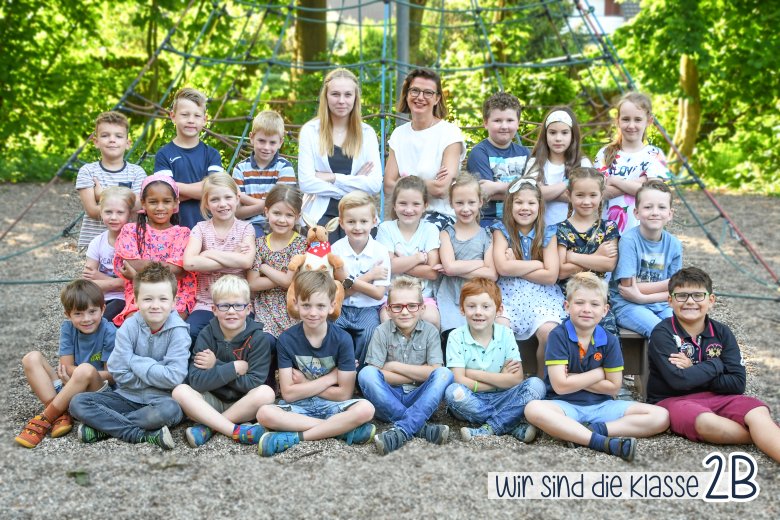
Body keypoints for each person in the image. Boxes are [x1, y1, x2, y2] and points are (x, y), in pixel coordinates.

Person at [524, 272, 669, 461]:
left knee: (661, 416)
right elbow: (560, 386)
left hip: (602, 406)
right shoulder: (558, 336)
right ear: (567, 306)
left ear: (605, 310)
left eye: (594, 304)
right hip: (565, 406)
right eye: (579, 303)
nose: (587, 309)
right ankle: (602, 443)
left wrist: (572, 378)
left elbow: (614, 387)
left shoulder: (609, 340)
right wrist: (600, 373)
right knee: (533, 409)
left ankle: (590, 431)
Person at [647, 267, 780, 462]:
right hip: (673, 400)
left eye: (698, 295)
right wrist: (717, 364)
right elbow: (678, 382)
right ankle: (763, 436)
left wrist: (693, 369)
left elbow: (737, 383)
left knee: (757, 412)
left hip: (720, 397)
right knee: (707, 422)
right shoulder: (663, 333)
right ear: (670, 301)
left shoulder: (723, 332)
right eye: (682, 295)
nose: (690, 301)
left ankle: (765, 435)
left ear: (711, 300)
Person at [69, 263, 190, 450]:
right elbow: (118, 371)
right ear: (136, 299)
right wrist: (154, 375)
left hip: (159, 400)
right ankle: (139, 435)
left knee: (172, 411)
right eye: (148, 299)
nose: (155, 305)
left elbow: (174, 377)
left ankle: (103, 429)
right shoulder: (129, 326)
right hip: (125, 396)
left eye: (163, 299)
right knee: (78, 402)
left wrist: (133, 361)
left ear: (174, 301)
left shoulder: (179, 333)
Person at [256, 271, 376, 456]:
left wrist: (304, 383)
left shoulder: (343, 339)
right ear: (296, 304)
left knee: (366, 409)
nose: (313, 313)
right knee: (264, 413)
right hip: (300, 406)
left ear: (332, 306)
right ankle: (341, 430)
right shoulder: (286, 340)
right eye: (306, 305)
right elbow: (288, 394)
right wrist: (331, 377)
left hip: (332, 406)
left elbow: (344, 394)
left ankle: (297, 437)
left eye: (320, 306)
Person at [172, 275, 276, 448]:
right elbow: (196, 381)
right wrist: (233, 368)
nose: (231, 311)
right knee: (180, 391)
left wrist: (216, 365)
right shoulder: (207, 334)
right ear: (214, 309)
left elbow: (252, 384)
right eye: (224, 306)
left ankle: (209, 428)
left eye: (238, 305)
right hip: (210, 400)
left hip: (242, 404)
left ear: (248, 308)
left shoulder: (258, 339)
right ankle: (235, 430)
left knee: (266, 393)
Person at [358, 276, 453, 455]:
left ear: (422, 308)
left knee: (444, 373)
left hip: (420, 397)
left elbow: (435, 371)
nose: (405, 312)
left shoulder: (430, 332)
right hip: (388, 398)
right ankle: (421, 427)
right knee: (366, 374)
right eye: (397, 306)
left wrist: (393, 366)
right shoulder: (381, 331)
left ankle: (402, 429)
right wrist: (421, 372)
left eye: (411, 305)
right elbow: (376, 374)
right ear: (389, 309)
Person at [15, 280, 116, 448]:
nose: (86, 319)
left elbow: (111, 376)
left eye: (92, 312)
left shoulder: (109, 331)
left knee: (85, 370)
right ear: (68, 314)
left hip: (98, 391)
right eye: (78, 314)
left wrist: (80, 375)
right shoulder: (67, 328)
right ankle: (61, 415)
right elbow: (66, 367)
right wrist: (75, 377)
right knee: (31, 358)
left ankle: (45, 419)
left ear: (103, 309)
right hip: (69, 383)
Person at [444, 278, 546, 442]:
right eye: (471, 306)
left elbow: (516, 379)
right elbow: (458, 379)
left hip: (505, 396)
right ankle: (510, 423)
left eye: (486, 307)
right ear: (462, 309)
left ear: (499, 310)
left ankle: (490, 428)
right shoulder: (456, 336)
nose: (478, 312)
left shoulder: (506, 334)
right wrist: (500, 379)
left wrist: (472, 373)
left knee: (536, 385)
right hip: (473, 398)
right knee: (453, 392)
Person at [297, 68, 381, 241]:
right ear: (326, 97)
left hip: (359, 214)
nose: (341, 101)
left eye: (348, 95)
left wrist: (332, 177)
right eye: (335, 94)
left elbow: (373, 185)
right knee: (325, 257)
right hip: (321, 213)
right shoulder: (310, 131)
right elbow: (306, 182)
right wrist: (355, 182)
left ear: (355, 98)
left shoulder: (367, 133)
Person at [492, 177, 565, 377]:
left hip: (542, 296)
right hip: (508, 294)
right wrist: (537, 264)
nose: (525, 208)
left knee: (549, 332)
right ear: (509, 205)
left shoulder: (548, 232)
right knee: (501, 328)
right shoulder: (501, 230)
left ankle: (543, 381)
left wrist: (516, 264)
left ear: (539, 206)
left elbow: (551, 276)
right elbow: (503, 268)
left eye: (531, 203)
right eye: (519, 202)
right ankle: (513, 381)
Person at [383, 68, 466, 230]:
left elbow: (441, 189)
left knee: (422, 234)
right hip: (404, 214)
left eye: (428, 93)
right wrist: (427, 183)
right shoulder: (399, 134)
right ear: (407, 95)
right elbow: (387, 185)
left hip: (439, 215)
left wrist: (404, 181)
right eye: (414, 91)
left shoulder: (450, 133)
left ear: (437, 99)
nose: (420, 97)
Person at [111, 174, 196, 326]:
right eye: (153, 202)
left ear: (176, 203)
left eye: (167, 201)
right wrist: (167, 266)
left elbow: (178, 269)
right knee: (135, 326)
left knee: (171, 326)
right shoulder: (131, 230)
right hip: (140, 291)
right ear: (143, 203)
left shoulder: (183, 233)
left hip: (175, 293)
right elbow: (129, 262)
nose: (160, 207)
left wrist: (139, 270)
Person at [183, 172, 255, 344]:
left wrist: (208, 254)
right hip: (207, 302)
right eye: (215, 200)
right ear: (206, 203)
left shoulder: (246, 229)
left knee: (245, 339)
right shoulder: (200, 229)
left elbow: (246, 262)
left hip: (238, 303)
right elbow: (189, 263)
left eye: (228, 197)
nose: (222, 204)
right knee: (190, 332)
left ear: (237, 198)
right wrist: (233, 256)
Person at [610, 179, 682, 337]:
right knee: (661, 331)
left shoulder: (674, 244)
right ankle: (661, 362)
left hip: (662, 305)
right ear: (636, 212)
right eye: (648, 207)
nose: (655, 212)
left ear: (670, 214)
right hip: (628, 306)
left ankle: (682, 362)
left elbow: (676, 290)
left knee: (683, 329)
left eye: (662, 207)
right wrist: (667, 284)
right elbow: (626, 288)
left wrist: (642, 297)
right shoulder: (629, 241)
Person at [332, 191, 391, 368]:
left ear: (374, 221)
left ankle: (360, 376)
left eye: (364, 221)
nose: (358, 227)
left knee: (370, 332)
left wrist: (349, 281)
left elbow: (378, 293)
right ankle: (338, 371)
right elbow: (340, 293)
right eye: (351, 222)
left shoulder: (380, 252)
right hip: (341, 307)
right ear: (341, 223)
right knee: (332, 331)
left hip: (368, 308)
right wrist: (370, 276)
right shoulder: (336, 251)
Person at [556, 167, 620, 334]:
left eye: (593, 195)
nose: (586, 201)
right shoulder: (559, 229)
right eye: (580, 195)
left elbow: (609, 264)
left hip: (597, 297)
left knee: (607, 335)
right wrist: (596, 257)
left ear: (601, 195)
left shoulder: (608, 227)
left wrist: (572, 256)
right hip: (567, 298)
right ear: (569, 195)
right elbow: (561, 271)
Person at [595, 92, 669, 233]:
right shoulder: (604, 154)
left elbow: (654, 194)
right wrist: (642, 183)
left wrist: (615, 180)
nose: (631, 125)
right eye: (626, 119)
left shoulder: (655, 155)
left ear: (649, 121)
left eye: (637, 119)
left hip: (643, 235)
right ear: (618, 120)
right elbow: (599, 193)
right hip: (607, 235)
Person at [436, 172, 498, 338]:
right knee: (453, 338)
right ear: (451, 203)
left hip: (479, 296)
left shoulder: (487, 235)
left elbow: (492, 274)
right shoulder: (446, 234)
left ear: (480, 202)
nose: (465, 208)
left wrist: (457, 267)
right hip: (451, 296)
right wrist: (480, 263)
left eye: (471, 202)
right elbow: (449, 268)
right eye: (459, 203)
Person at [376, 176, 442, 328]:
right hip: (392, 298)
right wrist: (418, 258)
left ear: (425, 205)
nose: (409, 209)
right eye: (403, 203)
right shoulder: (386, 229)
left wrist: (401, 262)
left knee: (432, 318)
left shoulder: (430, 229)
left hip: (422, 297)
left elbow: (432, 272)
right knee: (387, 320)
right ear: (394, 204)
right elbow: (388, 267)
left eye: (416, 204)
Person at [154, 87, 224, 229]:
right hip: (173, 228)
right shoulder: (163, 154)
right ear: (173, 116)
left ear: (205, 120)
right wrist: (202, 189)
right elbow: (164, 194)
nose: (191, 120)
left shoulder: (212, 154)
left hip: (209, 229)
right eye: (185, 115)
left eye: (197, 116)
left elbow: (215, 190)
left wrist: (176, 187)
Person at [75, 111, 146, 249]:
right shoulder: (88, 171)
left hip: (128, 243)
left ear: (127, 143)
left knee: (128, 271)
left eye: (118, 136)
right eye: (105, 135)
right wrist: (125, 204)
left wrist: (102, 194)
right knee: (93, 272)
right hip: (94, 244)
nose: (112, 140)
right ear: (96, 142)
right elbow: (93, 211)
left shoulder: (137, 172)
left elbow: (138, 206)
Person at [247, 184, 308, 338]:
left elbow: (290, 283)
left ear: (298, 216)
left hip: (294, 307)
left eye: (289, 215)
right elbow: (253, 283)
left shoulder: (301, 243)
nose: (282, 220)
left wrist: (264, 267)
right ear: (266, 212)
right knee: (264, 341)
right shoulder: (259, 243)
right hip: (265, 307)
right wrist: (284, 278)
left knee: (294, 341)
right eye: (277, 213)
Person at [466, 92, 531, 227]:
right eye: (497, 120)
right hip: (489, 220)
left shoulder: (525, 153)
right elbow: (485, 193)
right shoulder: (479, 153)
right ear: (485, 123)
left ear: (518, 123)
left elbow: (534, 191)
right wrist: (523, 188)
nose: (504, 126)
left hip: (523, 219)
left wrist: (496, 187)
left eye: (510, 120)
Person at [231, 110, 297, 237]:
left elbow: (283, 206)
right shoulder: (240, 169)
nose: (266, 147)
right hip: (249, 227)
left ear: (280, 142)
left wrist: (244, 198)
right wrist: (268, 205)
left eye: (272, 142)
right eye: (261, 141)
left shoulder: (284, 167)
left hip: (280, 223)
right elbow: (237, 212)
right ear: (251, 138)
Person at [525, 106, 592, 228]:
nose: (558, 138)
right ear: (545, 135)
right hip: (542, 234)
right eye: (552, 132)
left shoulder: (583, 163)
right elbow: (533, 194)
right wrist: (569, 182)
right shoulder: (535, 163)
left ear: (573, 135)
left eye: (564, 133)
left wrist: (548, 193)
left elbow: (590, 197)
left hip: (576, 233)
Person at [83, 186, 136, 322]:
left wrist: (101, 277)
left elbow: (137, 282)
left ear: (129, 214)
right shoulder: (97, 242)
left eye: (120, 212)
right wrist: (120, 282)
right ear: (100, 212)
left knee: (103, 318)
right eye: (108, 212)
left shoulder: (136, 241)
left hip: (127, 298)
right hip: (101, 297)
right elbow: (88, 283)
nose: (113, 217)